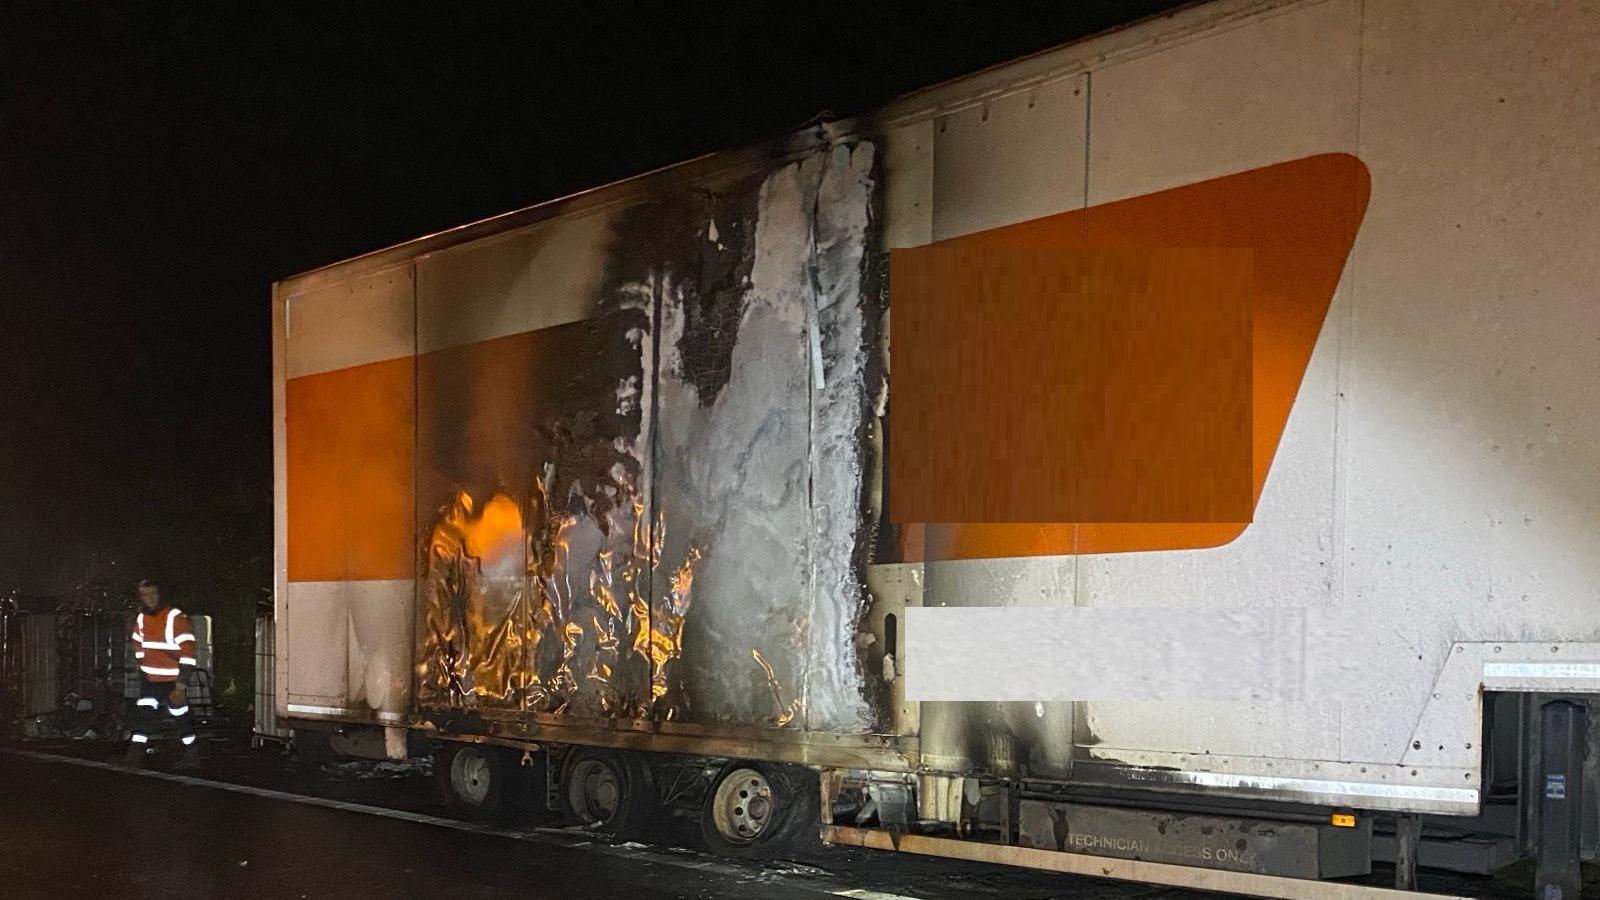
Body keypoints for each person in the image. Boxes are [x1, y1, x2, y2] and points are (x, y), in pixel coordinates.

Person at [123, 577, 199, 768]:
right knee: (144, 716)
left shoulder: (175, 617)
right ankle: (134, 756)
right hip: (150, 680)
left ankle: (192, 754)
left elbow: (188, 653)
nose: (149, 599)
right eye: (145, 595)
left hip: (172, 680)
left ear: (161, 594)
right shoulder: (141, 618)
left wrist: (180, 685)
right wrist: (143, 668)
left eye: (153, 594)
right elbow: (138, 645)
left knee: (180, 716)